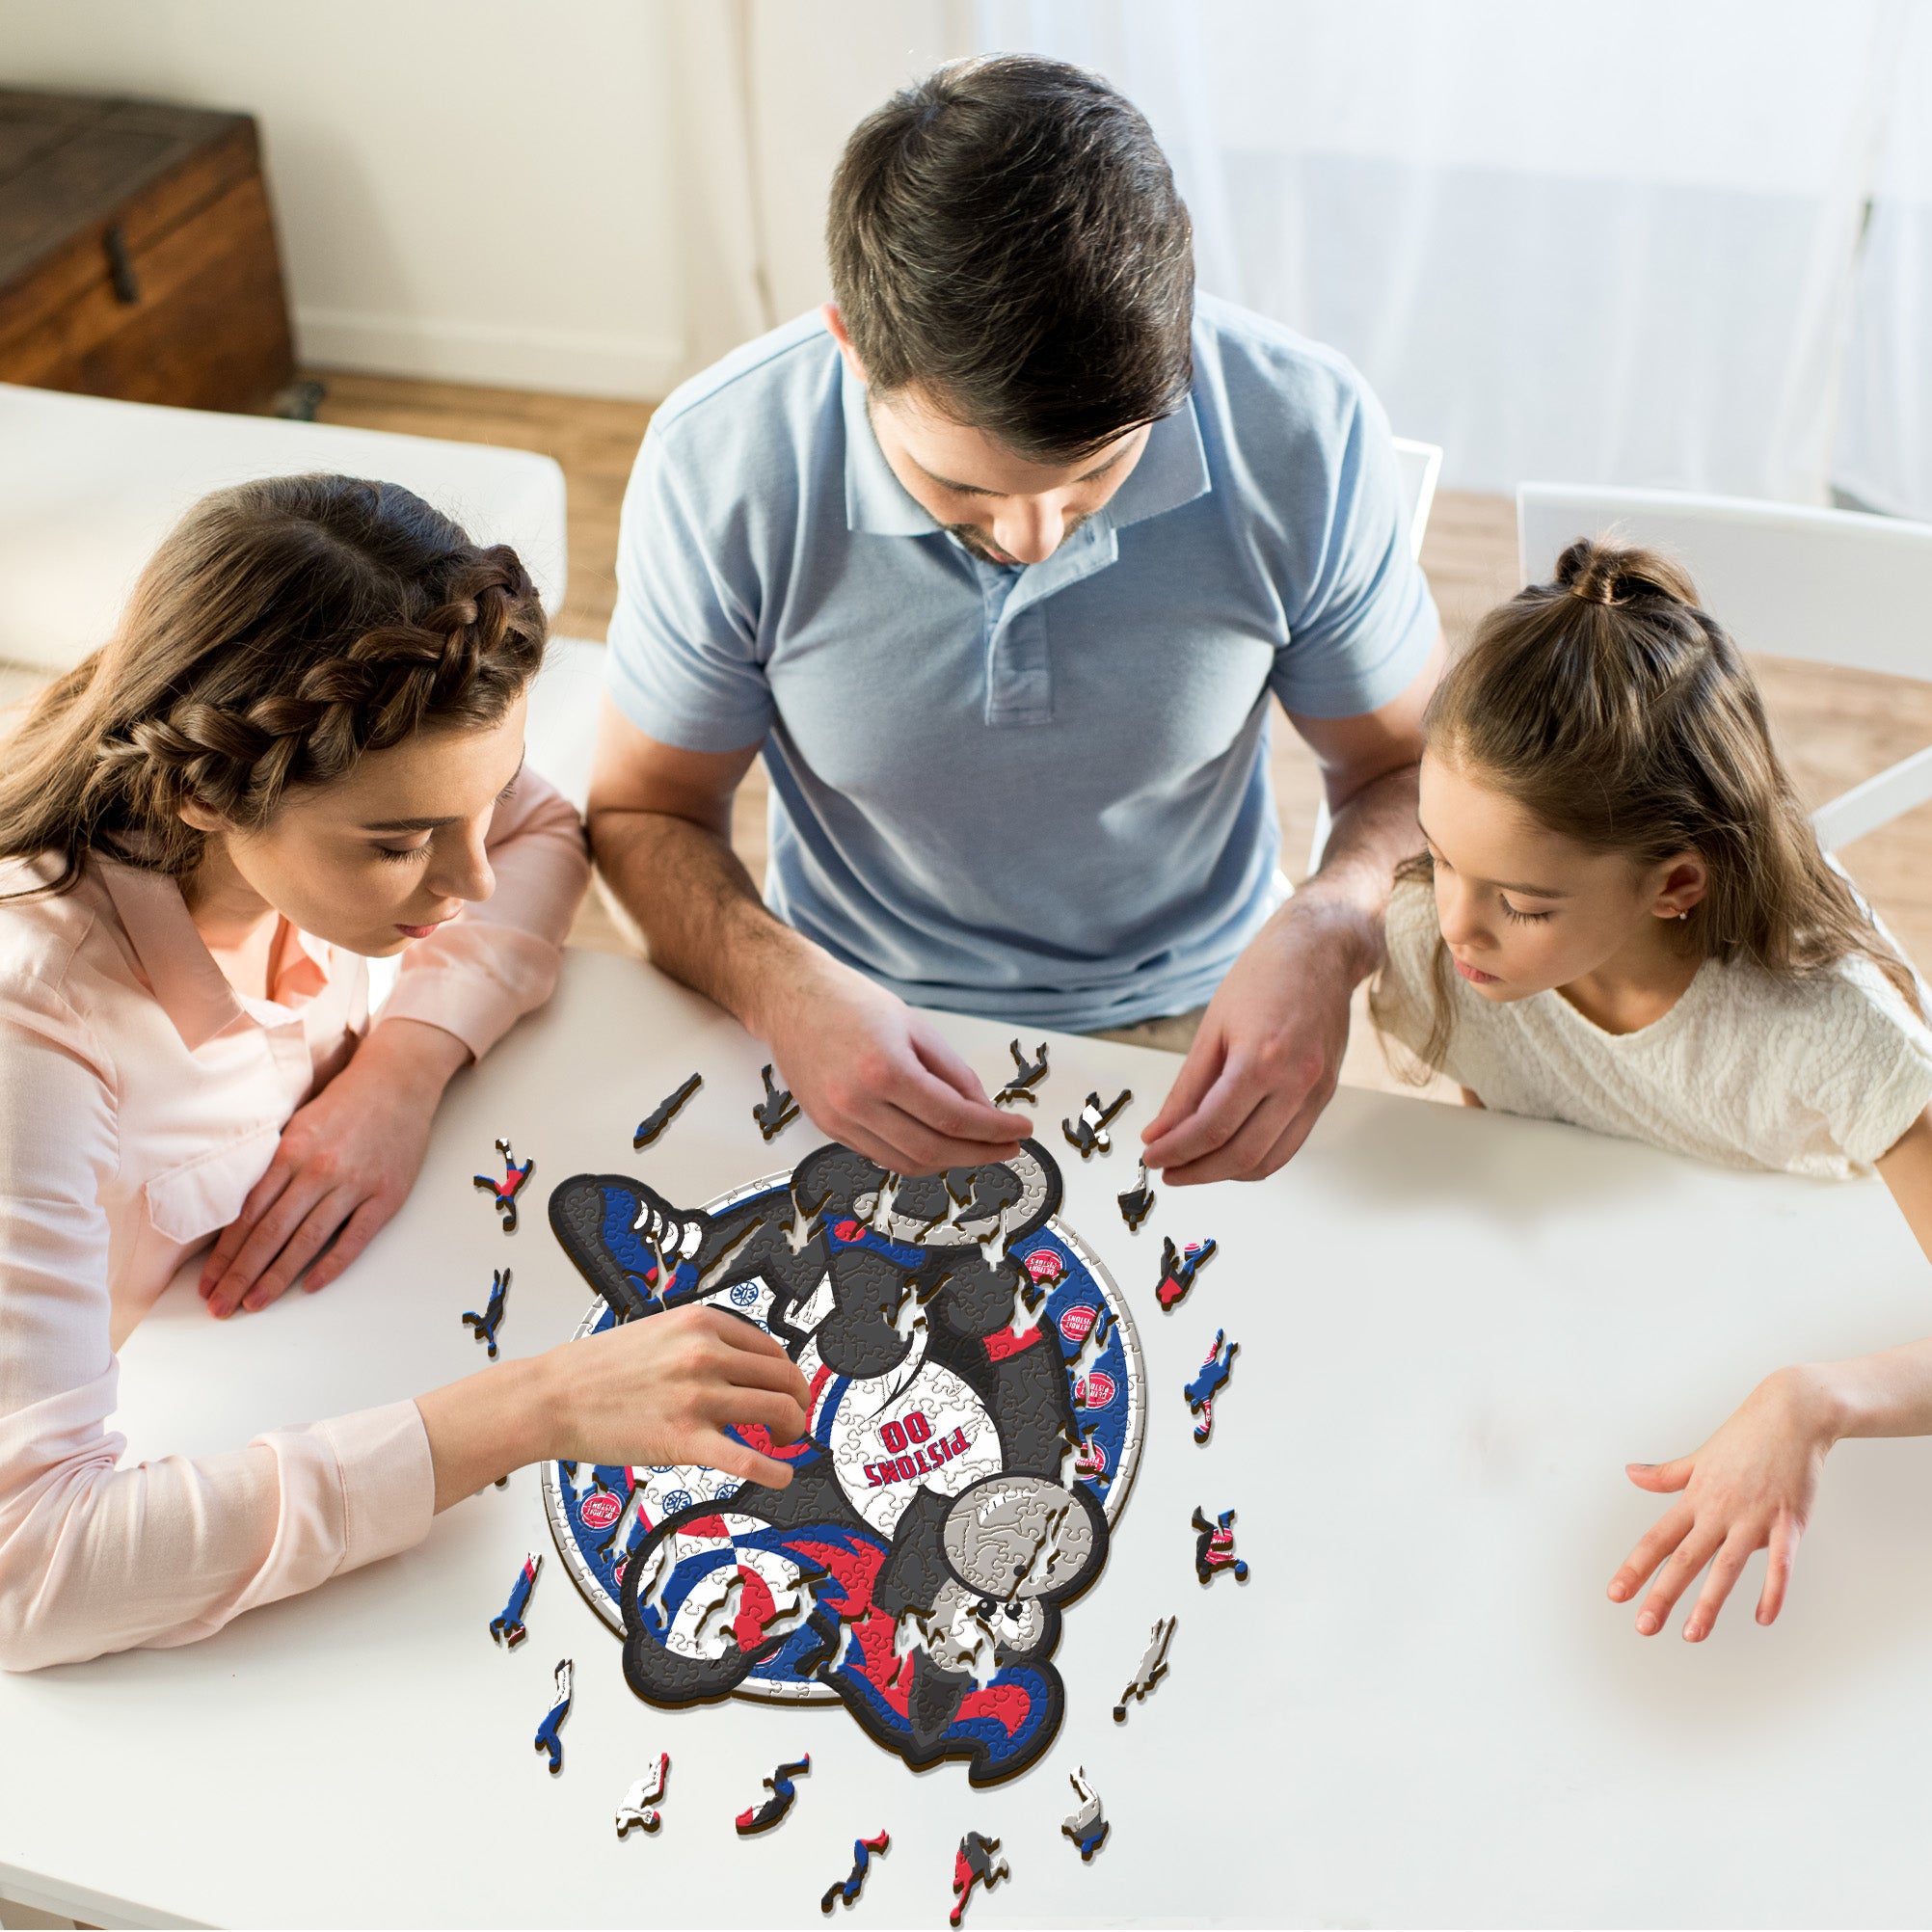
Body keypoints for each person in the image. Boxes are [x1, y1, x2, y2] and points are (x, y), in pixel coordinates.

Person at [0, 476, 809, 1671]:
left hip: (288, 1340)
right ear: (201, 793)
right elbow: (34, 1572)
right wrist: (536, 1410)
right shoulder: (37, 1040)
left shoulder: (338, 791)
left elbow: (540, 833)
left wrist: (403, 1066)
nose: (469, 883)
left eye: (475, 803)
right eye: (399, 844)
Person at [588, 56, 1443, 1186]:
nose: (1036, 537)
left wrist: (1332, 929)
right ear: (853, 348)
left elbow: (1411, 772)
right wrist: (778, 985)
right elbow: (646, 810)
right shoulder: (721, 465)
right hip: (838, 1015)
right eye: (966, 491)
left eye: (1095, 478)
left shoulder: (1302, 430)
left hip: (1203, 1011)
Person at [1370, 537, 1932, 1643]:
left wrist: (1813, 1401)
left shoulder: (1832, 1032)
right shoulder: (1443, 951)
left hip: (1843, 1328)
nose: (1454, 927)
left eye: (1521, 904)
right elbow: (1519, 1123)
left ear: (1676, 884)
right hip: (1626, 1312)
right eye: (1440, 858)